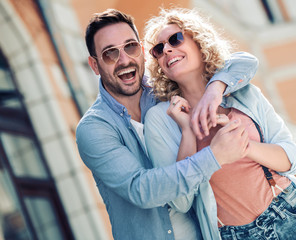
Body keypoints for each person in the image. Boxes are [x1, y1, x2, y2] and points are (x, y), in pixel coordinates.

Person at [143, 8, 296, 240]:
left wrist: (243, 144)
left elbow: (293, 159)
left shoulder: (243, 92)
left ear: (199, 44)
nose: (167, 50)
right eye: (158, 49)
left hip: (292, 215)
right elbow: (180, 201)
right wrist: (188, 131)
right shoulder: (161, 118)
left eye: (175, 39)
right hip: (236, 234)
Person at [76, 8, 259, 240]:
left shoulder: (165, 91)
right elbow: (142, 189)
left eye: (130, 47)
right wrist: (215, 156)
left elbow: (244, 62)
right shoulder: (93, 129)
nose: (124, 60)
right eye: (110, 54)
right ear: (94, 65)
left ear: (142, 50)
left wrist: (216, 88)